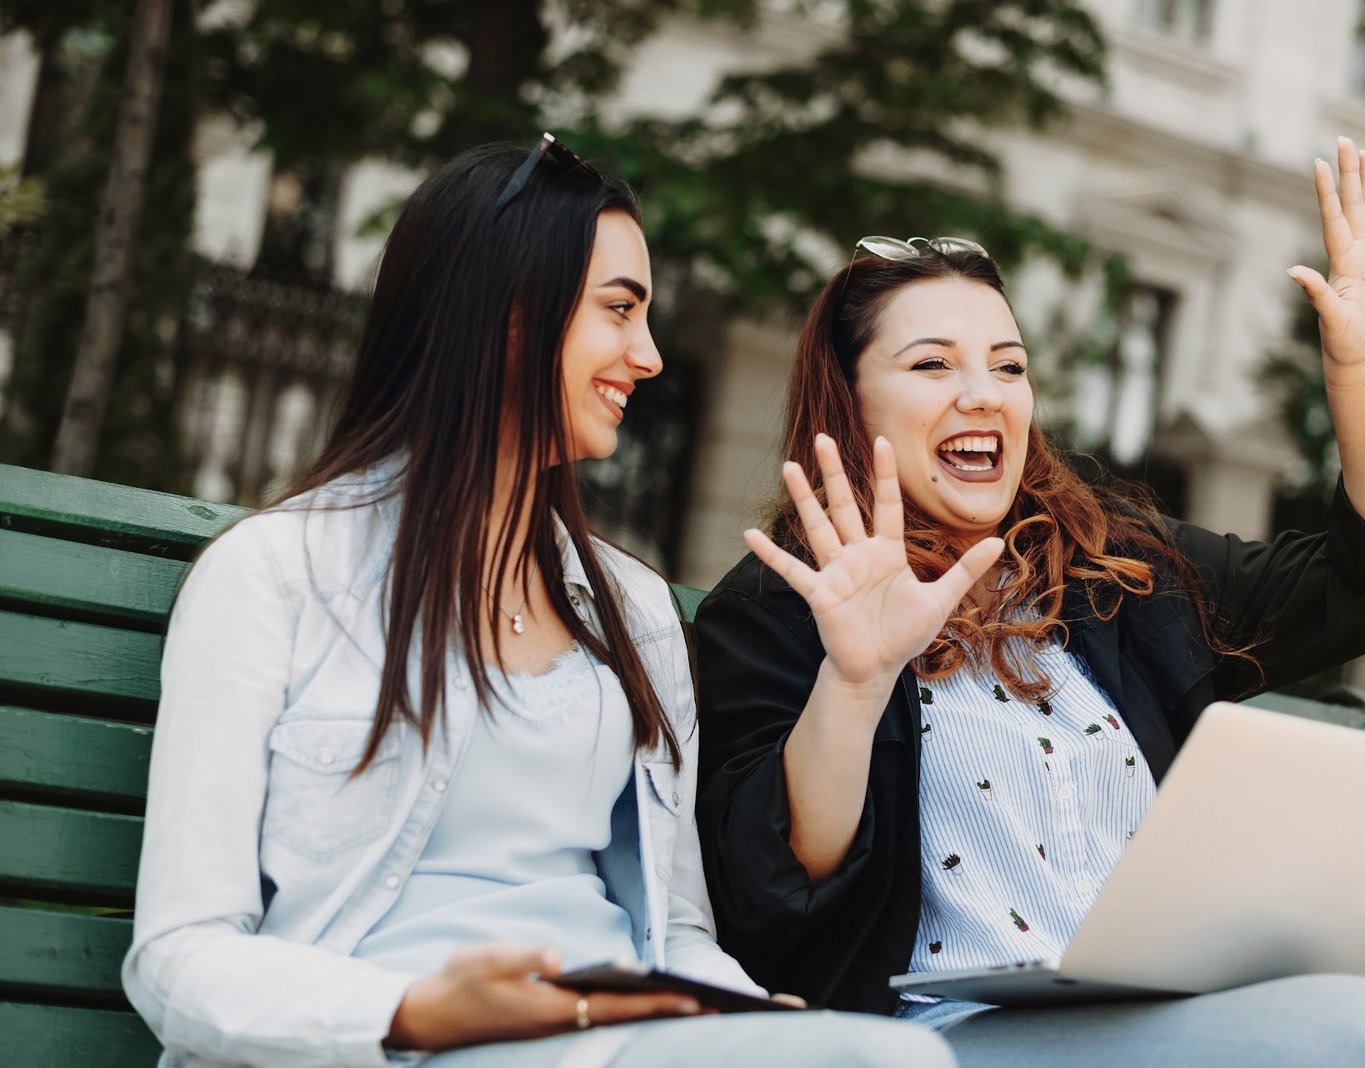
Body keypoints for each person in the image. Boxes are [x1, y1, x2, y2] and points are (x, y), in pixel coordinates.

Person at [122, 136, 955, 1068]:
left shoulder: (632, 612)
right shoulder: (273, 577)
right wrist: (422, 1011)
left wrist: (757, 1020)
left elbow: (674, 935)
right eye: (618, 311)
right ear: (505, 313)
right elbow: (177, 958)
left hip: (609, 1040)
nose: (647, 356)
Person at [694, 137, 1365, 1066]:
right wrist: (855, 677)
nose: (984, 395)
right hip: (943, 1042)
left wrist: (1362, 371)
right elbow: (776, 891)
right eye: (932, 367)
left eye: (1008, 365)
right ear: (850, 401)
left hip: (1152, 1021)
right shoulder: (780, 607)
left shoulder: (1107, 572)